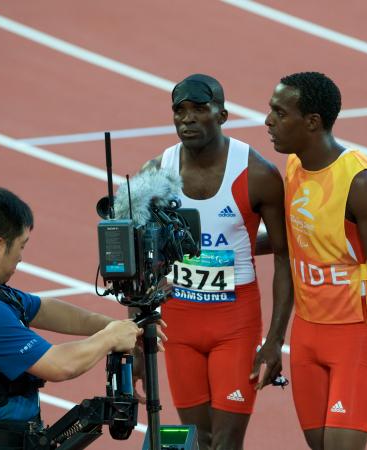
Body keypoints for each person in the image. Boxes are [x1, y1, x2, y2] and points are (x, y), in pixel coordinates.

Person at [0, 187, 150, 449]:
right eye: (21, 245)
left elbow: (42, 308)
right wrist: (110, 338)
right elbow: (59, 365)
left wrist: (116, 326)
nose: (21, 258)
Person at [262, 72, 367, 450]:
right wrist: (211, 245)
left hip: (358, 336)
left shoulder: (363, 184)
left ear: (312, 122)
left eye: (280, 113)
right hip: (308, 334)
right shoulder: (295, 167)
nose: (268, 121)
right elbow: (292, 240)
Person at [137, 74, 293, 450]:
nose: (187, 119)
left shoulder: (258, 174)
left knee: (226, 442)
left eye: (199, 109)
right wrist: (137, 339)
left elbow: (286, 257)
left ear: (222, 115)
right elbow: (140, 261)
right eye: (179, 111)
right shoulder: (156, 174)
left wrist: (274, 342)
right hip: (180, 323)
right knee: (196, 441)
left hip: (236, 324)